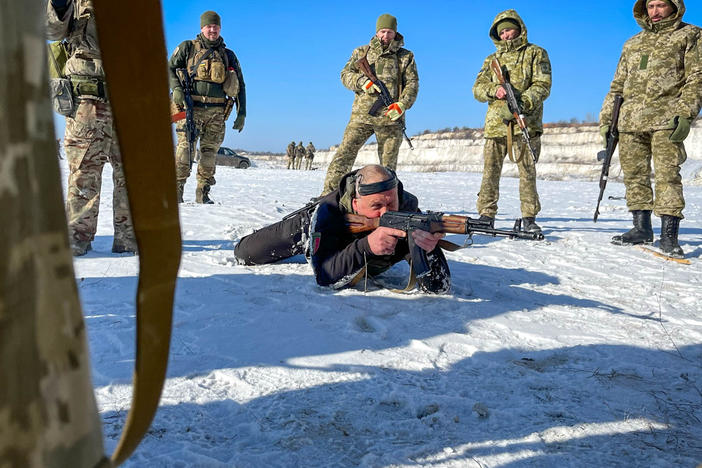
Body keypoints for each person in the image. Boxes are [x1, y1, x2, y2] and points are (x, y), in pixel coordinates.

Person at [235, 165, 450, 293]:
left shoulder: (408, 211)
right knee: (246, 253)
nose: (386, 213)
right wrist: (366, 246)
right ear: (356, 203)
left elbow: (439, 287)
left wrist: (428, 250)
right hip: (310, 227)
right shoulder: (329, 211)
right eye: (376, 206)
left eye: (391, 204)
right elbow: (325, 277)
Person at [600, 0, 701, 257]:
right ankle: (641, 228)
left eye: (660, 5)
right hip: (630, 121)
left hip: (666, 119)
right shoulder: (632, 43)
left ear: (673, 6)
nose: (654, 12)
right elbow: (617, 85)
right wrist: (606, 120)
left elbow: (696, 78)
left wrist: (686, 113)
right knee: (635, 175)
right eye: (650, 6)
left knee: (667, 175)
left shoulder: (690, 35)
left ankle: (669, 236)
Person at [46, 0, 137, 256]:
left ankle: (129, 238)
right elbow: (51, 30)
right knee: (85, 171)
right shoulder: (76, 3)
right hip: (87, 99)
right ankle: (77, 239)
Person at [472, 9, 552, 234]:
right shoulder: (491, 60)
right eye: (503, 32)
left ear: (519, 29)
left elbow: (542, 85)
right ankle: (486, 215)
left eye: (509, 30)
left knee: (527, 172)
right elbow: (477, 89)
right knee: (490, 173)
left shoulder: (536, 53)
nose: (506, 35)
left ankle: (529, 217)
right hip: (496, 127)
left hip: (526, 124)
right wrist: (494, 90)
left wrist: (522, 103)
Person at [321, 14, 418, 195]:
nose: (385, 36)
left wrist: (403, 105)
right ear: (376, 31)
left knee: (388, 168)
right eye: (382, 31)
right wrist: (361, 82)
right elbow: (345, 74)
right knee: (344, 155)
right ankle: (328, 195)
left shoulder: (405, 57)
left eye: (389, 32)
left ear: (395, 32)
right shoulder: (361, 53)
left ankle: (385, 202)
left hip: (390, 119)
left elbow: (412, 84)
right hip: (362, 116)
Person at [168, 10, 246, 204]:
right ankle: (177, 191)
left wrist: (241, 112)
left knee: (209, 153)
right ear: (202, 28)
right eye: (209, 26)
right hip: (189, 108)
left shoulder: (228, 55)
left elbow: (241, 85)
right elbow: (170, 68)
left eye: (216, 26)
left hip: (217, 112)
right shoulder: (187, 48)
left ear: (220, 28)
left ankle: (203, 192)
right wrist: (176, 89)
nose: (212, 30)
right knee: (184, 151)